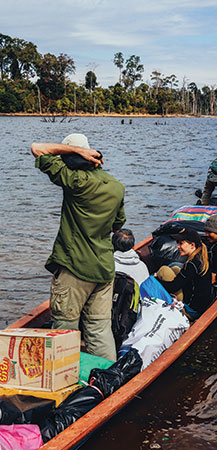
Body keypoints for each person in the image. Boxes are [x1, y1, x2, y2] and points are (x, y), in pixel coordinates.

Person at [31, 133, 126, 361]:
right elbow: (117, 225)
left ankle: (65, 384)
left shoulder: (75, 181)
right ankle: (107, 380)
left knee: (64, 330)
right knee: (99, 330)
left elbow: (38, 148)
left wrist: (71, 151)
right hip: (104, 269)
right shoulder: (116, 186)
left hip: (75, 268)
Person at [155, 228, 212, 321]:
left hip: (191, 311)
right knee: (175, 268)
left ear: (192, 245)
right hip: (201, 305)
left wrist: (156, 280)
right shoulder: (201, 257)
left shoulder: (191, 264)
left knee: (164, 270)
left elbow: (173, 287)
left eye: (181, 243)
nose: (177, 246)